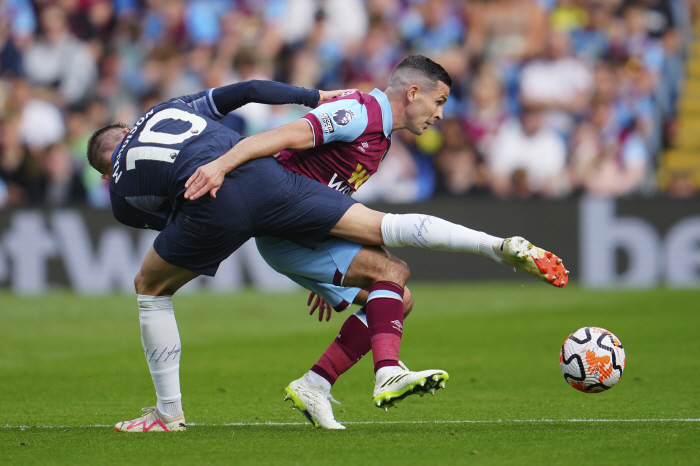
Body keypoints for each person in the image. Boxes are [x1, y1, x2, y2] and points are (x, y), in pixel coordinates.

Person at [183, 56, 569, 429]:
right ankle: (389, 370)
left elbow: (329, 192)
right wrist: (221, 166)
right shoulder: (357, 111)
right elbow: (280, 136)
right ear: (413, 93)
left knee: (398, 299)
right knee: (393, 268)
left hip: (303, 230)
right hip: (284, 221)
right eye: (438, 102)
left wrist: (331, 263)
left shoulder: (380, 138)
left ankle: (315, 384)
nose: (439, 115)